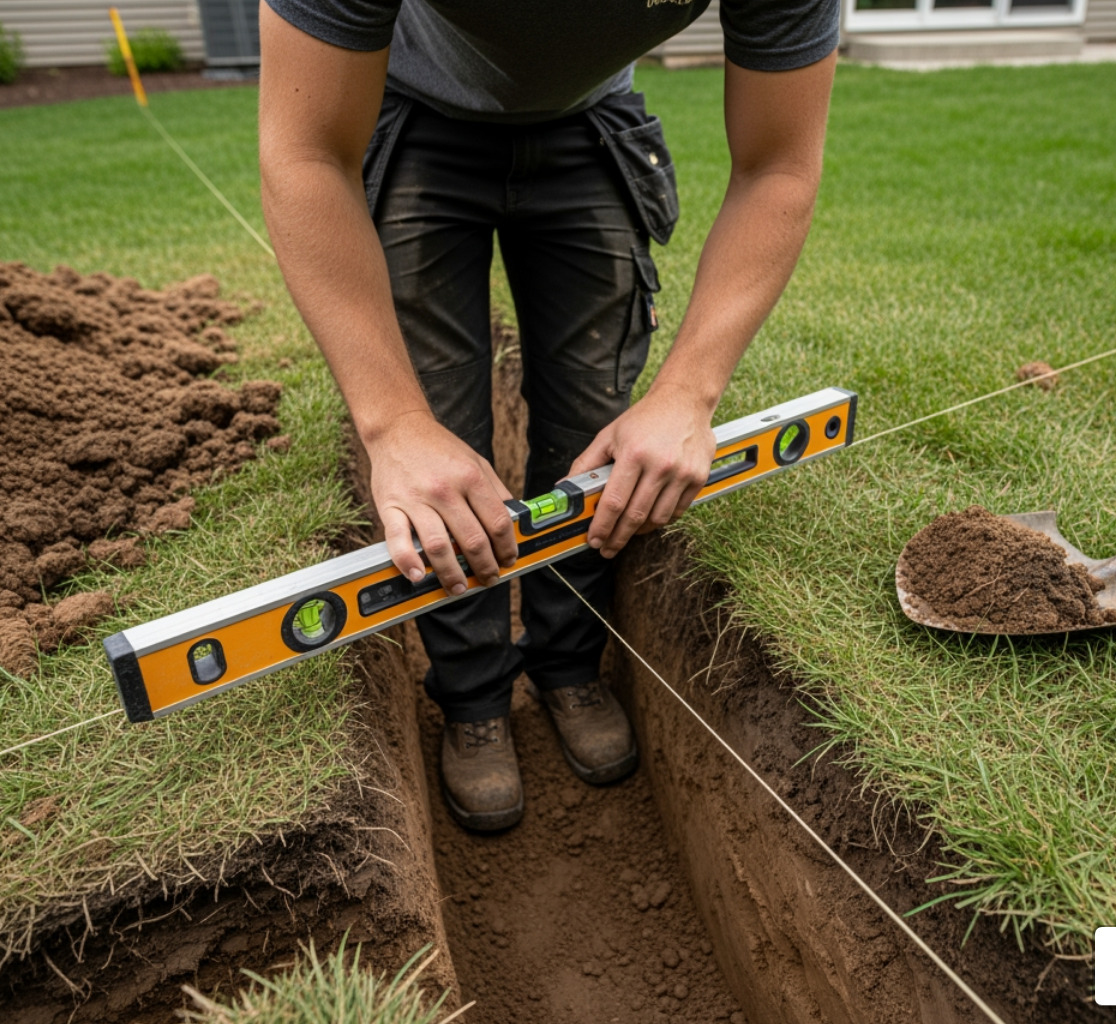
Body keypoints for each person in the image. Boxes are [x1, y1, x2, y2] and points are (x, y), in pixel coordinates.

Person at [258, 0, 837, 831]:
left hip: (589, 127)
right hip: (413, 117)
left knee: (596, 428)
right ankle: (472, 694)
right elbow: (305, 149)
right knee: (439, 449)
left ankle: (570, 664)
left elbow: (780, 166)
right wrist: (392, 427)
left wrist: (686, 396)